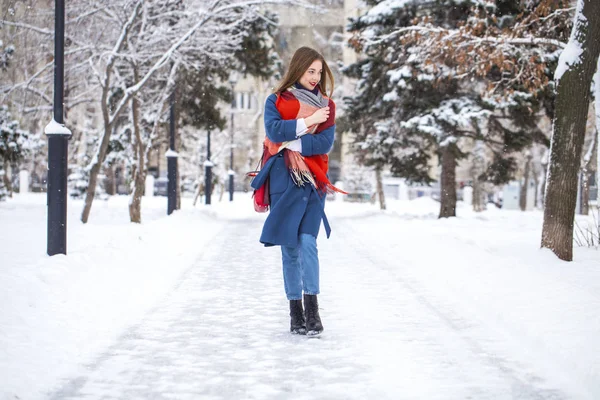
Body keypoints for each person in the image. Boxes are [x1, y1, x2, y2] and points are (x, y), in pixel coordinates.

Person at [250, 47, 345, 337]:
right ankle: (296, 314)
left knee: (307, 242)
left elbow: (324, 144)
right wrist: (308, 122)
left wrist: (294, 142)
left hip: (314, 179)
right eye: (310, 71)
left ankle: (313, 310)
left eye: (319, 72)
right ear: (298, 69)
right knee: (290, 249)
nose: (315, 77)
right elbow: (274, 131)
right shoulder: (276, 100)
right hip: (284, 180)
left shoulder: (327, 105)